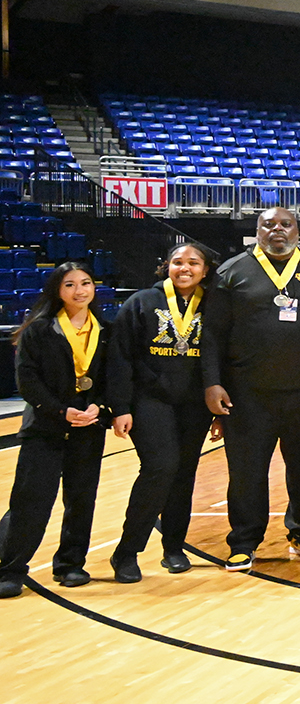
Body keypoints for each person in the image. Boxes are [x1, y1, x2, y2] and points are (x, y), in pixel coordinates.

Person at [204, 207, 300, 572]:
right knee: (247, 471)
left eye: (285, 224)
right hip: (247, 394)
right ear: (257, 231)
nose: (277, 230)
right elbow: (212, 334)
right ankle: (244, 540)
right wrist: (212, 382)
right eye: (268, 225)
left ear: (297, 230)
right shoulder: (232, 272)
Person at [106, 242, 217, 582]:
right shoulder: (141, 302)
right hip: (150, 400)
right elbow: (120, 357)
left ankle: (173, 546)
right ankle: (127, 551)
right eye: (177, 262)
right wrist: (120, 407)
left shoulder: (214, 305)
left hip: (195, 404)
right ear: (166, 266)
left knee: (184, 473)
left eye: (193, 263)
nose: (185, 268)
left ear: (205, 269)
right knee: (160, 467)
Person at [0, 263, 111, 597]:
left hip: (88, 428)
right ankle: (11, 568)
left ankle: (71, 564)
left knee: (81, 500)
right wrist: (62, 412)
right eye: (70, 285)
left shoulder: (107, 330)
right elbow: (28, 382)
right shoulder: (38, 330)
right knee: (31, 501)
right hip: (45, 429)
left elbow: (112, 378)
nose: (80, 291)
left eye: (86, 283)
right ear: (56, 290)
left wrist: (98, 406)